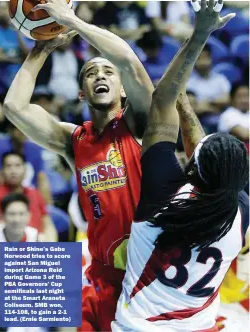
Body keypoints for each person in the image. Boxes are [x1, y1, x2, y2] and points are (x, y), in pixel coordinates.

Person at [3, 0, 154, 329]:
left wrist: (72, 20)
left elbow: (127, 58)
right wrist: (41, 48)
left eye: (107, 71)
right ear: (82, 94)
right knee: (30, 314)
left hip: (150, 275)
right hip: (103, 276)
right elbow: (14, 106)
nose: (99, 75)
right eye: (90, 72)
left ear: (123, 89)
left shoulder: (141, 124)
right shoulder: (74, 141)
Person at [113, 1, 248, 331]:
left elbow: (161, 101)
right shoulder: (241, 210)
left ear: (195, 166)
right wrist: (184, 105)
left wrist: (199, 33)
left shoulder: (163, 198)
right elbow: (207, 162)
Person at [0, 193, 38, 326]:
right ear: (2, 216)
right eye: (12, 214)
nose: (17, 219)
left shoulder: (34, 236)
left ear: (29, 216)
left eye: (21, 214)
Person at [0, 152, 57, 242]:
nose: (13, 171)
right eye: (8, 166)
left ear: (25, 170)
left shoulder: (35, 193)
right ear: (1, 171)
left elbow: (48, 224)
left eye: (17, 165)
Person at [0, 122, 53, 205]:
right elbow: (1, 178)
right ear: (10, 131)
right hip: (9, 194)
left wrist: (47, 205)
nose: (21, 132)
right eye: (17, 128)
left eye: (24, 129)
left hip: (31, 193)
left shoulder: (34, 148)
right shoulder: (0, 147)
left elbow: (42, 179)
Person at [187, 44, 231, 115]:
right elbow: (193, 108)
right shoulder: (188, 82)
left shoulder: (220, 79)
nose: (203, 62)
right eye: (199, 58)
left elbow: (227, 100)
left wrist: (207, 103)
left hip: (221, 117)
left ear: (211, 59)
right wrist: (216, 106)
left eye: (206, 57)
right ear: (193, 61)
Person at [218, 84, 249, 150]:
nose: (245, 100)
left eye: (247, 96)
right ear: (232, 98)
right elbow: (244, 134)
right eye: (240, 96)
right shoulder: (228, 115)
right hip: (234, 153)